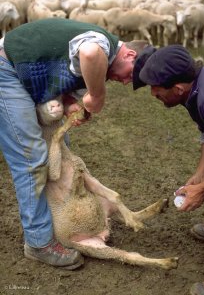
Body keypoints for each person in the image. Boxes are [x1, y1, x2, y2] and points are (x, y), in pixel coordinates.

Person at [0, 17, 152, 270]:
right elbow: (90, 53)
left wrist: (74, 106)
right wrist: (98, 95)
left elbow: (68, 89)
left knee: (59, 153)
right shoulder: (100, 44)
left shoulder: (98, 64)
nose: (126, 83)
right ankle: (38, 243)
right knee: (33, 159)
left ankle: (63, 222)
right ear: (130, 54)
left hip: (23, 74)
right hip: (7, 70)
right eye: (131, 78)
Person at [132, 44, 204, 295]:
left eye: (156, 89)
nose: (153, 94)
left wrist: (203, 189)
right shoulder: (195, 91)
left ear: (177, 88)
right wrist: (200, 176)